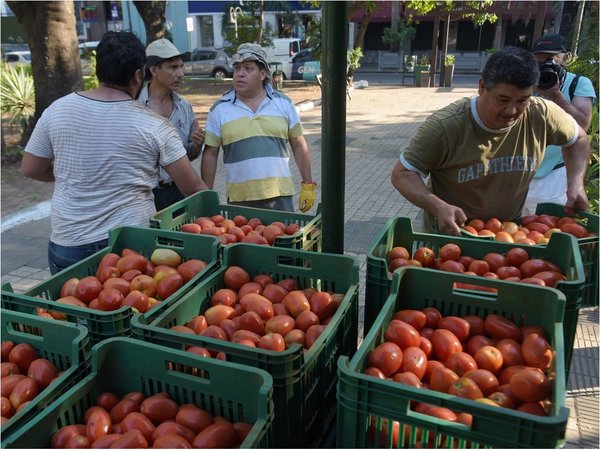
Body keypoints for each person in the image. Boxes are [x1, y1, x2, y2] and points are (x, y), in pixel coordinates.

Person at [20, 31, 208, 274]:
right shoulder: (154, 125)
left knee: (70, 309)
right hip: (129, 247)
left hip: (68, 244)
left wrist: (78, 174)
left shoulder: (58, 109)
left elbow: (30, 168)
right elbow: (193, 189)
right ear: (139, 74)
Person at [391, 46, 590, 236]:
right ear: (482, 87)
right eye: (503, 100)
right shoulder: (446, 126)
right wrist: (437, 206)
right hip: (451, 238)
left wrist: (575, 183)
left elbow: (578, 138)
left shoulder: (542, 114)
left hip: (509, 236)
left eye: (522, 100)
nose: (512, 111)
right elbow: (403, 173)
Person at [201, 42, 316, 212]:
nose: (240, 74)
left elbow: (299, 144)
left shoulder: (284, 104)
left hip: (280, 196)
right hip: (240, 200)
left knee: (284, 238)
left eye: (248, 68)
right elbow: (210, 154)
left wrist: (308, 184)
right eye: (237, 68)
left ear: (262, 74)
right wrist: (206, 197)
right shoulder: (219, 109)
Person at [523, 34, 596, 215]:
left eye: (551, 58)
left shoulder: (578, 83)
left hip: (555, 173)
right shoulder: (526, 82)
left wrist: (555, 95)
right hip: (522, 170)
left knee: (548, 227)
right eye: (538, 59)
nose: (545, 64)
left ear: (566, 57)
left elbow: (582, 126)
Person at [138, 38, 205, 211]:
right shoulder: (135, 105)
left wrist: (197, 145)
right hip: (145, 195)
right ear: (154, 70)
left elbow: (187, 155)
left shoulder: (184, 107)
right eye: (173, 67)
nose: (181, 73)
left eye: (181, 66)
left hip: (178, 191)